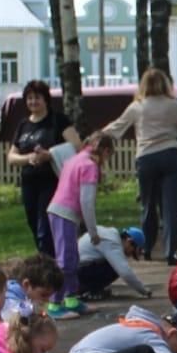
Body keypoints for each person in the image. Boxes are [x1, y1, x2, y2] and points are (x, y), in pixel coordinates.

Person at [99, 69, 177, 265]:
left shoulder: (137, 107)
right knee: (172, 207)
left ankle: (147, 247)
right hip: (171, 157)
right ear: (165, 84)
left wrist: (91, 140)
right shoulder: (173, 105)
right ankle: (170, 252)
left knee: (148, 205)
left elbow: (116, 128)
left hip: (146, 159)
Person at [43, 133, 116, 320]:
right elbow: (87, 202)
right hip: (65, 213)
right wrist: (93, 232)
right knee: (65, 261)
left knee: (72, 258)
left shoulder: (75, 159)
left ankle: (71, 299)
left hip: (60, 212)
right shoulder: (89, 166)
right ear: (106, 151)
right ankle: (54, 303)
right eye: (109, 155)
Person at [0, 80, 67, 253]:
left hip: (51, 181)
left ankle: (48, 267)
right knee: (34, 225)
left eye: (37, 97)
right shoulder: (23, 125)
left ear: (46, 99)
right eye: (29, 98)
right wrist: (29, 158)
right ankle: (49, 260)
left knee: (45, 228)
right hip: (29, 183)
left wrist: (49, 155)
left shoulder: (58, 120)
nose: (33, 102)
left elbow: (76, 145)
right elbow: (12, 157)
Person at [75, 226, 152, 301]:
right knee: (115, 268)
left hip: (77, 268)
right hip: (78, 271)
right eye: (132, 252)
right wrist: (144, 291)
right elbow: (125, 273)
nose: (130, 255)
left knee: (115, 263)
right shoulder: (113, 243)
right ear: (129, 241)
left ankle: (89, 289)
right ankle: (89, 291)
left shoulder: (111, 235)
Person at [2, 254, 62, 319]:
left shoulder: (26, 296)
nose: (47, 300)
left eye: (49, 296)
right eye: (43, 295)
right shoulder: (10, 300)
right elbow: (11, 321)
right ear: (26, 285)